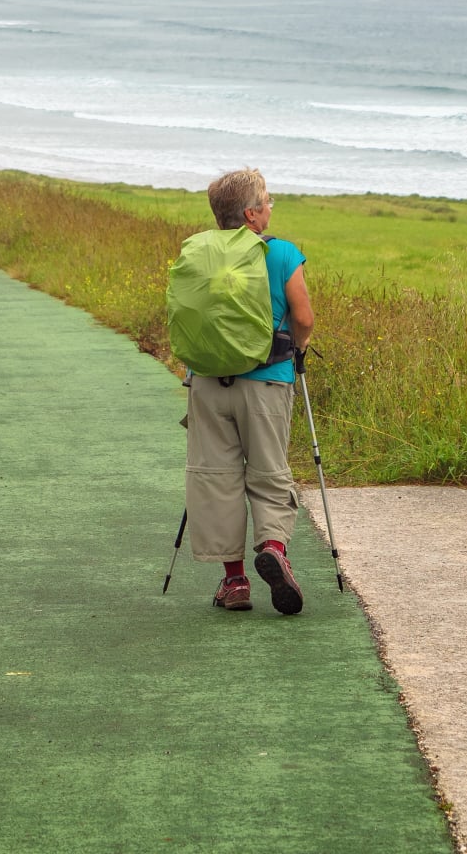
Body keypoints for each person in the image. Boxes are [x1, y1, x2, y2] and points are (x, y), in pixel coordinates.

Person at [185, 167, 314, 615]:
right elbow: (304, 316)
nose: (271, 207)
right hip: (266, 382)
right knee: (269, 472)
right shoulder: (279, 254)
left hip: (206, 383)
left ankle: (235, 582)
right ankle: (274, 548)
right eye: (268, 200)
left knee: (217, 478)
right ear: (251, 214)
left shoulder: (199, 254)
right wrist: (298, 350)